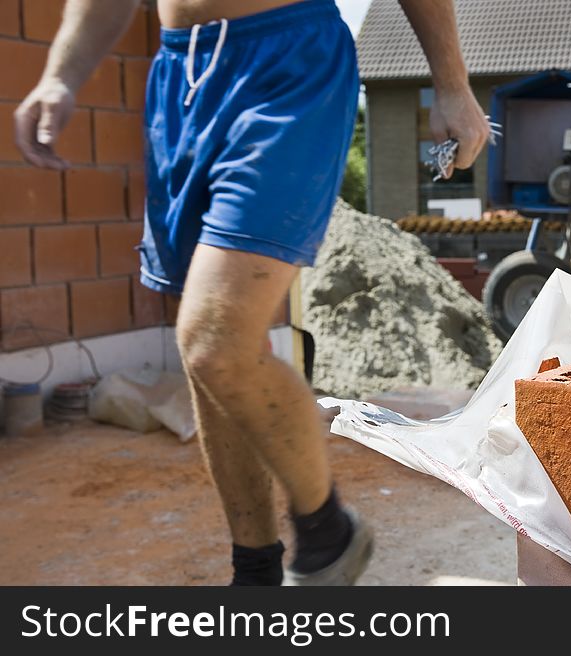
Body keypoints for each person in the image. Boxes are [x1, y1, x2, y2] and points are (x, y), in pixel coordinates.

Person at [14, 0, 490, 586]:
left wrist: (452, 83)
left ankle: (328, 533)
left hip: (288, 65)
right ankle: (255, 572)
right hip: (178, 80)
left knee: (214, 341)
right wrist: (62, 74)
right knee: (209, 364)